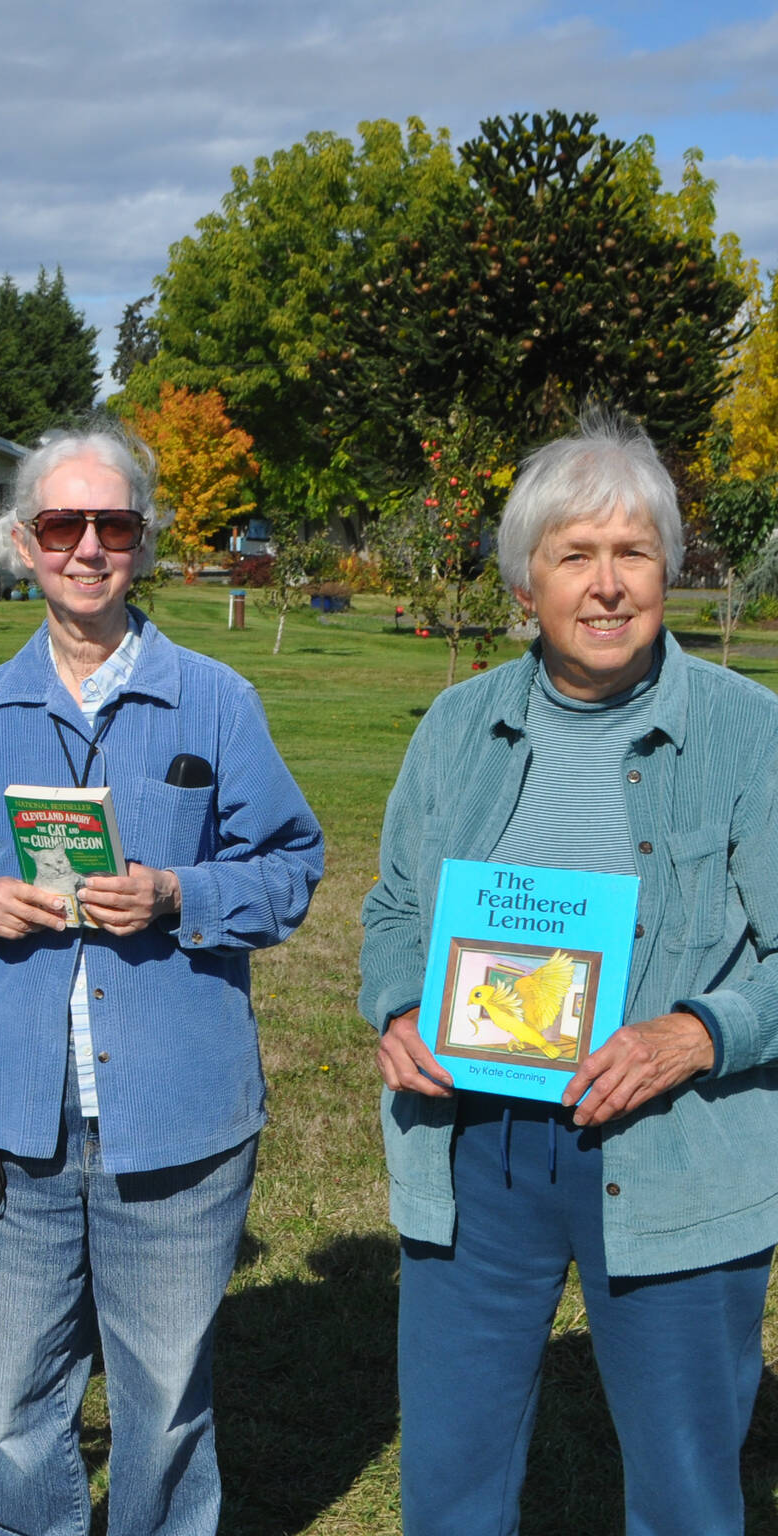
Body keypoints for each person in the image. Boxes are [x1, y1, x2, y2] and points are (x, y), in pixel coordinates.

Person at [0, 421, 324, 1536]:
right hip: (5, 1123)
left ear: (142, 540)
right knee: (21, 1404)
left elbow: (289, 866)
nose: (86, 547)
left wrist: (178, 896)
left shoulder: (214, 703)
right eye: (59, 525)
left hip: (175, 1120)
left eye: (111, 524)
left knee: (165, 1402)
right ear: (22, 544)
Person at [360, 413, 778, 1535]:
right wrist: (398, 1004)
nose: (605, 586)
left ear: (669, 569)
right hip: (477, 1147)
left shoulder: (749, 734)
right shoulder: (455, 726)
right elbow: (396, 903)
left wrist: (691, 1034)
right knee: (449, 1478)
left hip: (671, 1146)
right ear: (525, 583)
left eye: (630, 552)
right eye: (572, 556)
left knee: (685, 1493)